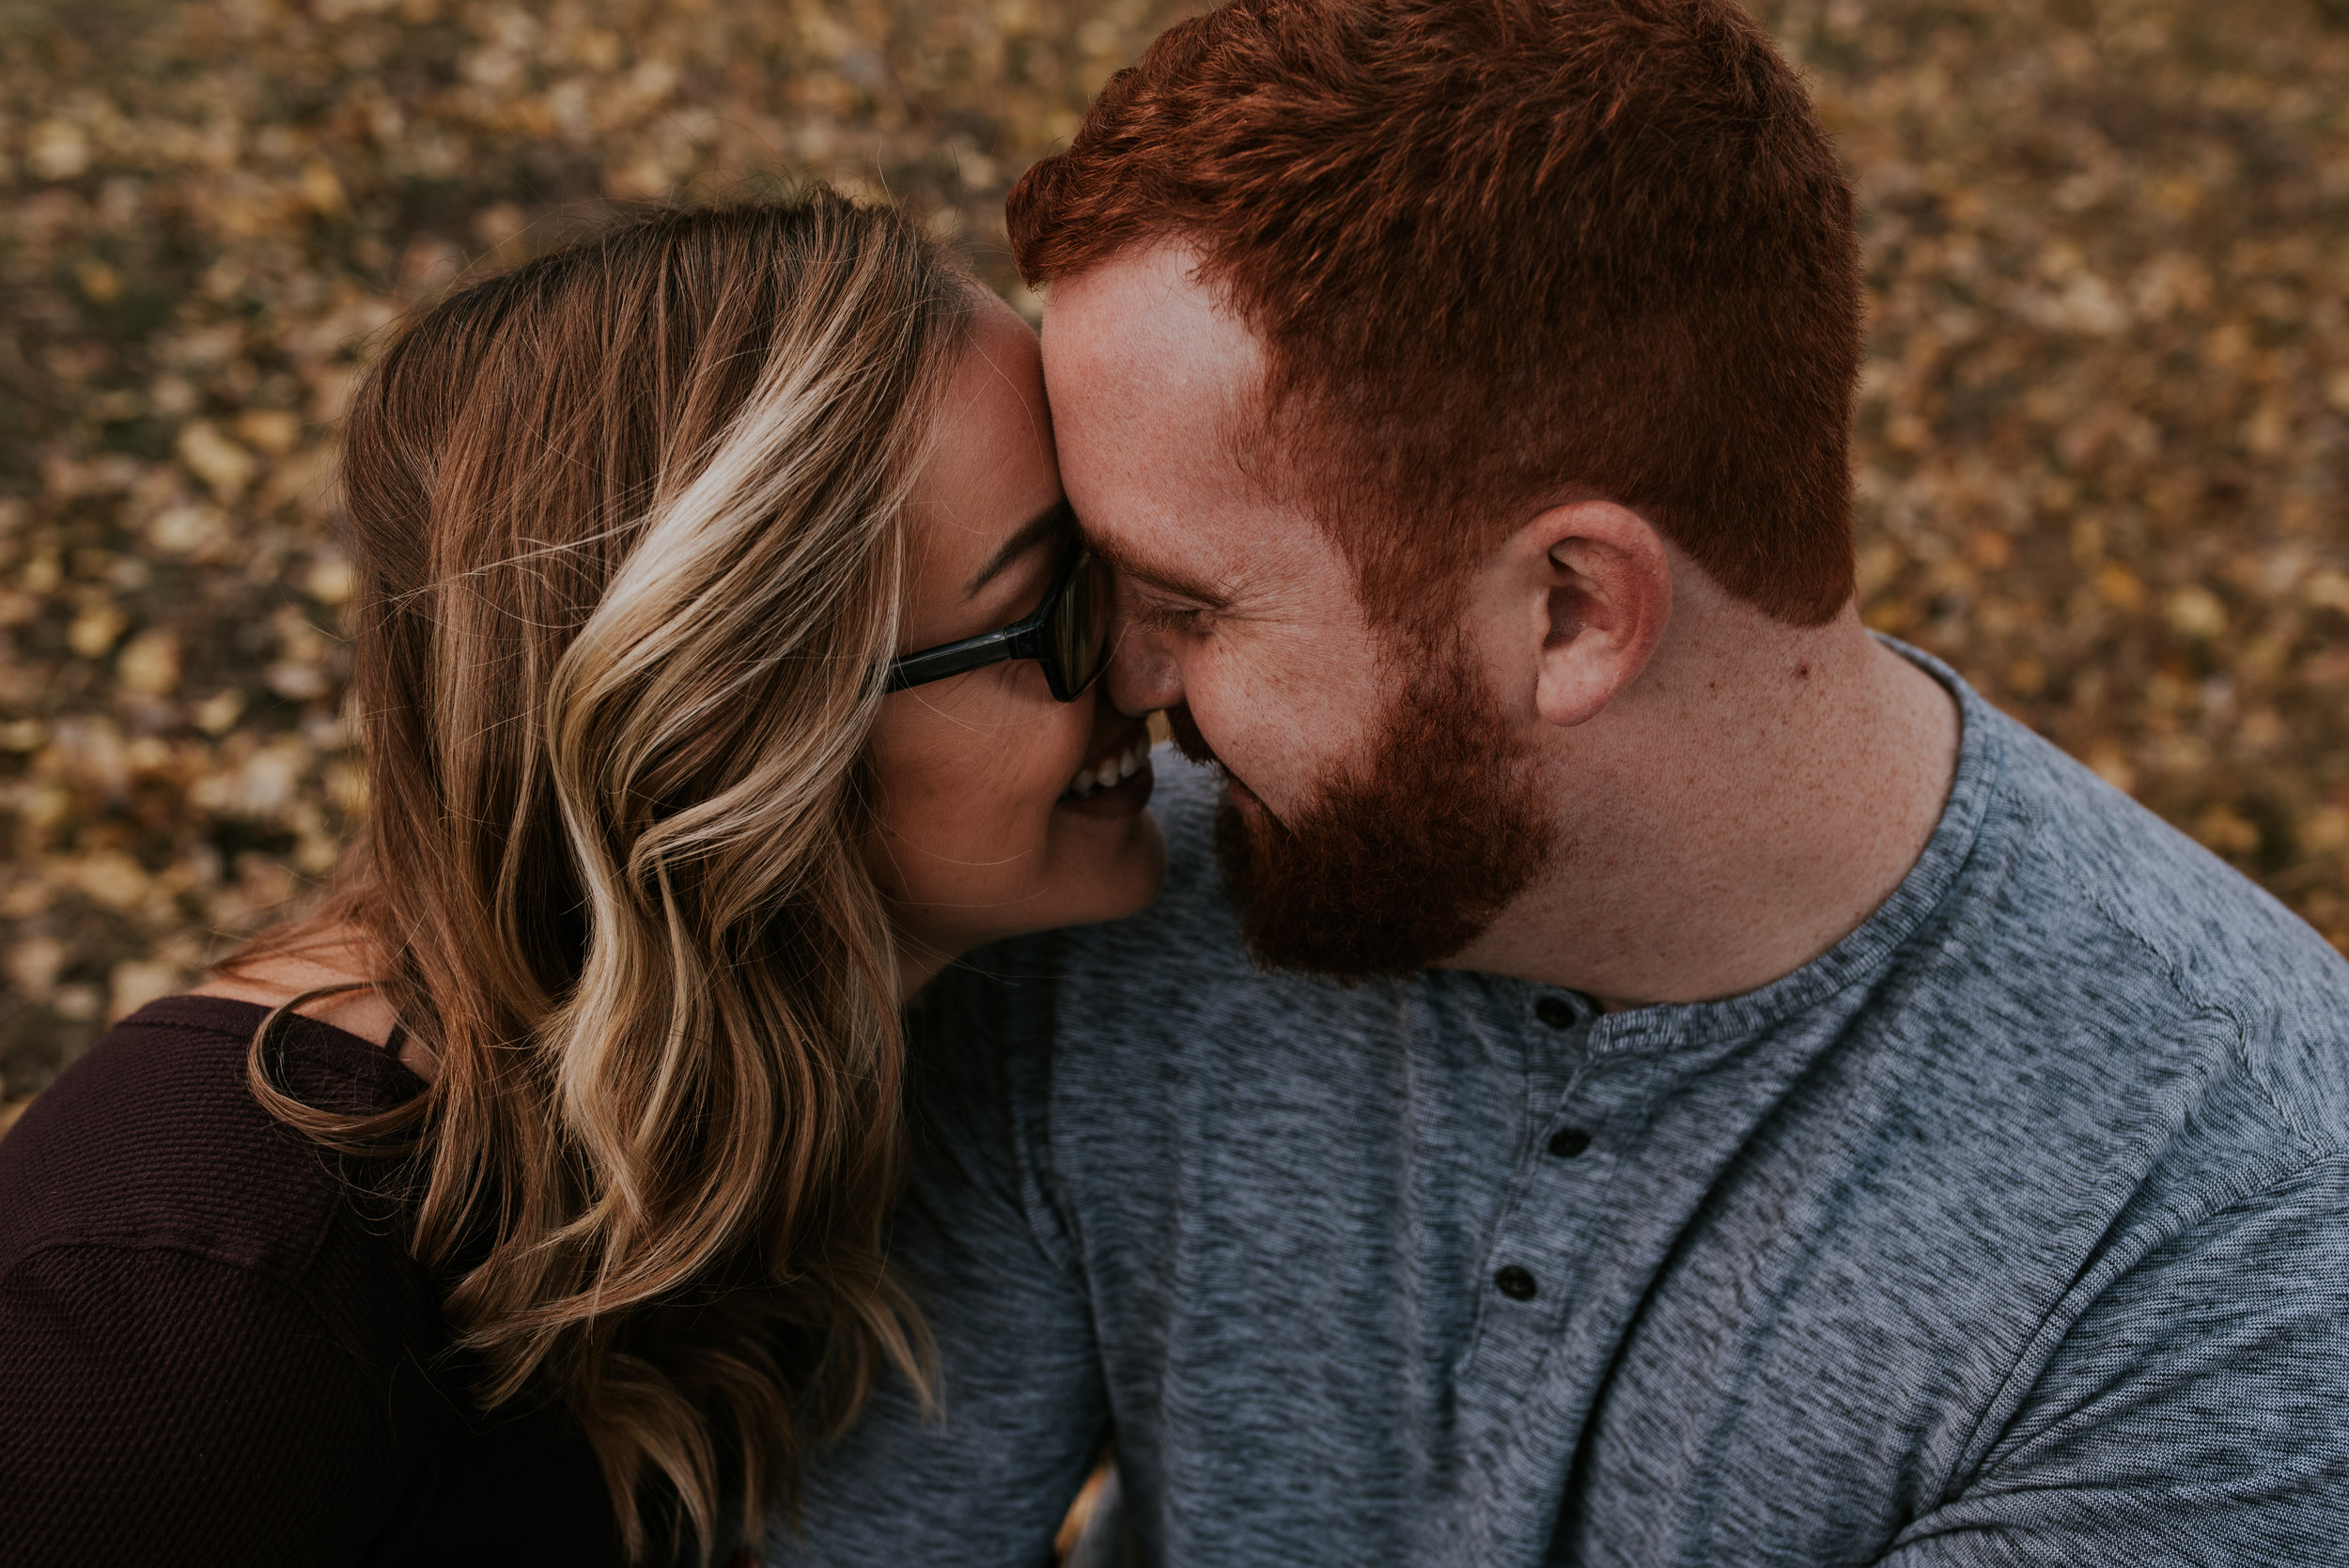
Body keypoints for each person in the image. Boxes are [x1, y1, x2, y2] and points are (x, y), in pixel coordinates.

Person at [770, 2, 2349, 1564]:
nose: (1118, 693)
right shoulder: (1133, 901)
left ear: (1576, 610)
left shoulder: (2236, 1266)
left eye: (1191, 605)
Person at [0, 194, 1164, 1565]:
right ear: (737, 747)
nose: (1154, 663)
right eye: (1060, 606)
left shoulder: (786, 1061)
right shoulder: (196, 1304)